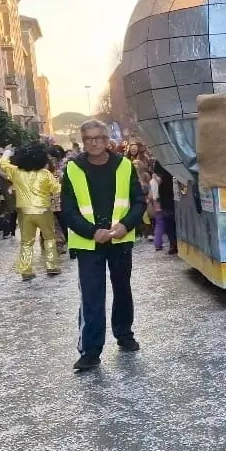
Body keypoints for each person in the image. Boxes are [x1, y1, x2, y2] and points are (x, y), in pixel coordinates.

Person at [61, 120, 147, 371]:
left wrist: (126, 225)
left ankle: (124, 334)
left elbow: (138, 201)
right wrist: (91, 231)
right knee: (91, 295)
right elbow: (68, 209)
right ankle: (90, 350)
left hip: (119, 240)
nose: (94, 142)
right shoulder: (73, 169)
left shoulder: (124, 166)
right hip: (88, 243)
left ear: (107, 139)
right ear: (83, 141)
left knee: (122, 289)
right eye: (88, 139)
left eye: (98, 137)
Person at [0, 142, 61, 280]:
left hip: (25, 213)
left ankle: (26, 270)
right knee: (49, 238)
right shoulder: (45, 173)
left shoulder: (17, 172)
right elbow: (56, 189)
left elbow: (2, 163)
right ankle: (52, 266)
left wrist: (7, 152)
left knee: (26, 242)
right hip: (43, 211)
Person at [153, 161, 178, 254]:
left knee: (171, 222)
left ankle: (174, 243)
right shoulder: (160, 161)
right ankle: (173, 243)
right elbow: (156, 179)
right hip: (167, 196)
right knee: (169, 221)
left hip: (173, 195)